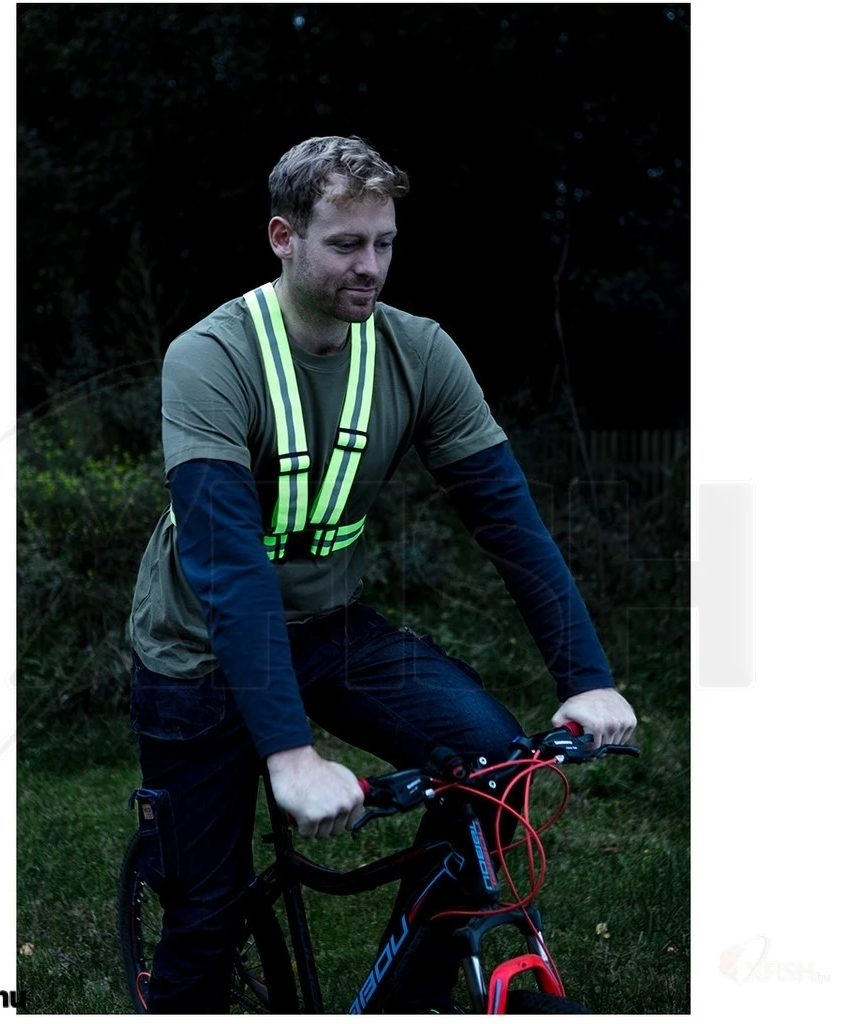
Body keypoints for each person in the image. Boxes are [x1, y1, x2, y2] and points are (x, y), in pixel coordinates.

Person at [127, 134, 636, 1013]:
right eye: (345, 245)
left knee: (496, 773)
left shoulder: (419, 351)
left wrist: (586, 678)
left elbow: (510, 523)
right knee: (205, 917)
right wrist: (290, 754)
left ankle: (406, 997)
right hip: (197, 648)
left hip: (328, 628)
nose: (370, 266)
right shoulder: (210, 358)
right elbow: (230, 569)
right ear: (283, 237)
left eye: (385, 243)